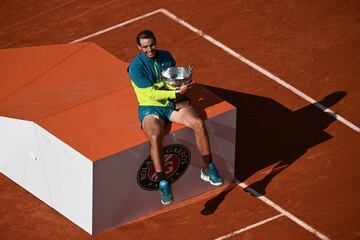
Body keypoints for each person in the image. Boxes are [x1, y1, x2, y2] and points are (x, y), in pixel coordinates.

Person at [128, 30, 224, 205]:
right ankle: (163, 182)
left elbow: (170, 80)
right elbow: (150, 94)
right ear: (139, 48)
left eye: (152, 45)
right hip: (150, 107)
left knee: (197, 123)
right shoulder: (135, 67)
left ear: (156, 42)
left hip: (170, 103)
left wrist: (184, 87)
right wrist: (177, 93)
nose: (150, 49)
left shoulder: (166, 56)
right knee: (156, 136)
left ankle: (208, 168)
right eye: (145, 47)